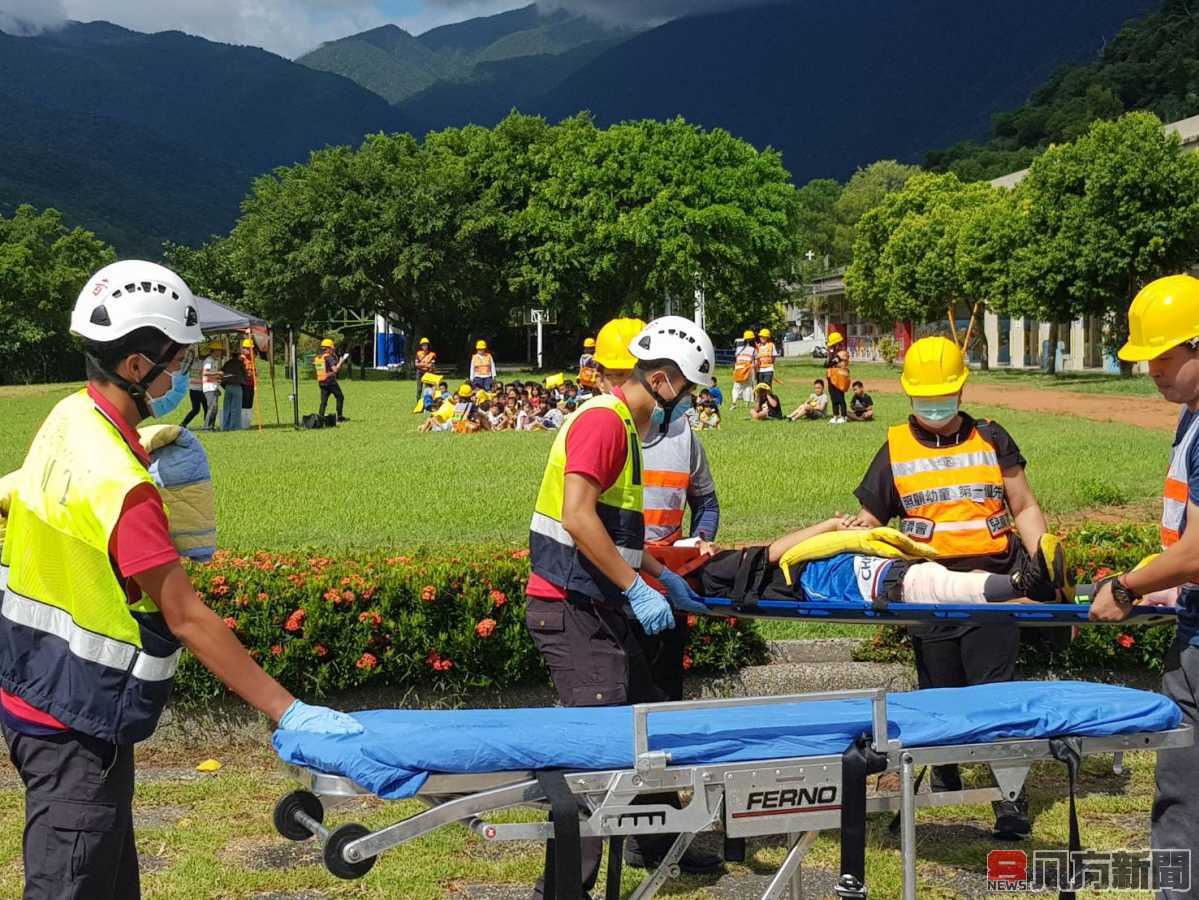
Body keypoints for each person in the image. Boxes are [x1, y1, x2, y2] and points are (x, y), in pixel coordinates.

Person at [0, 260, 360, 900]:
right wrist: (288, 709)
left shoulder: (68, 418)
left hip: (38, 693)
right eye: (177, 361)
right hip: (76, 724)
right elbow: (187, 616)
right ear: (136, 365)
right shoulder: (124, 488)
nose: (184, 375)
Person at [525, 315, 719, 896]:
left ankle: (642, 845)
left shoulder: (627, 430)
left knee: (638, 728)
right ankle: (561, 890)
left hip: (593, 606)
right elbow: (577, 516)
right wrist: (635, 589)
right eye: (687, 391)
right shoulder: (606, 424)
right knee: (596, 758)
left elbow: (621, 539)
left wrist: (658, 575)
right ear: (661, 380)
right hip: (571, 608)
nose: (689, 406)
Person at [851, 335, 1066, 840]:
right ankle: (941, 773)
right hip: (930, 590)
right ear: (908, 396)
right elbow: (871, 518)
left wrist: (1044, 560)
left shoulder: (992, 438)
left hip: (996, 586)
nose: (934, 407)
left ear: (962, 389)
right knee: (939, 690)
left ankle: (1010, 799)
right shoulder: (895, 447)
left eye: (942, 395)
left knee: (996, 693)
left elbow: (1025, 506)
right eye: (923, 398)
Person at [1089, 274, 1199, 890]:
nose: (1151, 369)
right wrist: (1173, 586)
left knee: (1184, 796)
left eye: (1163, 354)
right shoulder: (1191, 414)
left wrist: (1128, 586)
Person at [315, 338, 347, 422]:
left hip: (321, 382)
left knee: (323, 402)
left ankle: (320, 418)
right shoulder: (328, 357)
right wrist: (341, 361)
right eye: (332, 348)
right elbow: (335, 369)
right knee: (340, 396)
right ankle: (339, 417)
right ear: (328, 348)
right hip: (330, 381)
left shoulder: (318, 357)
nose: (333, 350)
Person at [219, 345, 249, 432]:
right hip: (237, 386)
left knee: (227, 407)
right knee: (236, 407)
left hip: (228, 386)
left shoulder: (227, 363)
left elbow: (222, 373)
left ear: (232, 355)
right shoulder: (241, 363)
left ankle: (225, 426)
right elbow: (245, 375)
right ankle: (235, 427)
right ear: (239, 355)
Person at [180, 344, 209, 429]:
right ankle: (207, 425)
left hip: (192, 390)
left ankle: (183, 423)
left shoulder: (192, 362)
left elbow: (184, 370)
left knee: (195, 409)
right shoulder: (206, 363)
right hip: (202, 389)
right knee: (206, 408)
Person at [826, 331, 851, 425]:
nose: (832, 346)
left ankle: (843, 416)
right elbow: (827, 364)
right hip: (832, 377)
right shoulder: (834, 353)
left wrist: (831, 357)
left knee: (840, 397)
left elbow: (830, 363)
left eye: (833, 345)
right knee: (833, 398)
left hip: (840, 377)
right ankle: (835, 416)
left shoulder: (842, 353)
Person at [731, 330, 757, 408]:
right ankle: (747, 404)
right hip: (748, 370)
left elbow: (736, 359)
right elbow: (754, 361)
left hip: (738, 369)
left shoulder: (738, 349)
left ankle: (734, 403)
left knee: (736, 387)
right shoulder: (753, 349)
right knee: (748, 387)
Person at [200, 342, 222, 430]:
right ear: (214, 351)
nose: (220, 352)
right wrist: (217, 373)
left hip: (214, 386)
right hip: (209, 387)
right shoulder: (208, 360)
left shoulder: (215, 360)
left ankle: (211, 426)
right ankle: (207, 427)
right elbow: (205, 373)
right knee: (212, 407)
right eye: (219, 350)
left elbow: (211, 374)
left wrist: (218, 378)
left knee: (215, 408)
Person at [239, 338, 257, 430]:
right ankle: (242, 423)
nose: (250, 350)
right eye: (248, 348)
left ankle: (247, 422)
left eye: (251, 348)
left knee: (249, 404)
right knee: (244, 404)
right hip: (244, 385)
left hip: (251, 385)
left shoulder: (253, 357)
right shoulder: (241, 358)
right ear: (244, 348)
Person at [414, 337, 436, 402]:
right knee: (419, 389)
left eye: (426, 345)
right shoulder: (418, 353)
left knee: (428, 389)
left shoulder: (432, 354)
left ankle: (427, 402)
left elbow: (432, 365)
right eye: (423, 345)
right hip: (419, 372)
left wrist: (422, 364)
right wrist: (426, 365)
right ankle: (418, 402)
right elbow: (416, 364)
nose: (424, 346)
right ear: (421, 346)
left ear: (428, 345)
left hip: (428, 373)